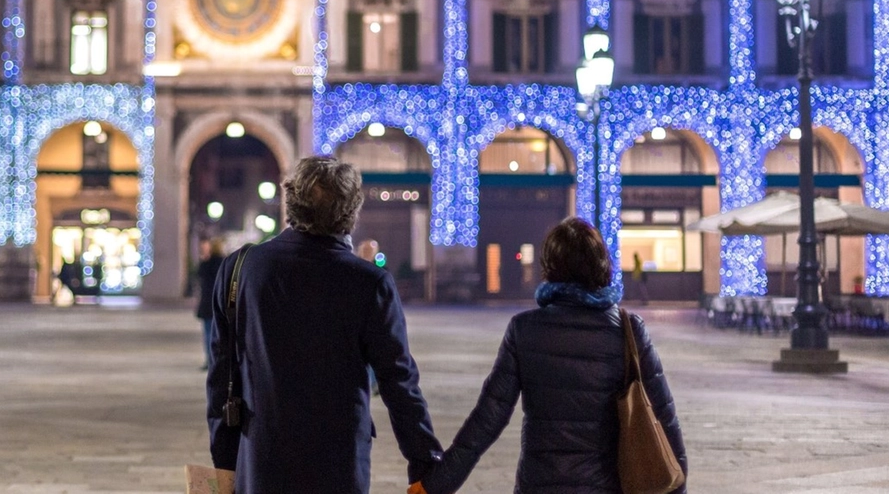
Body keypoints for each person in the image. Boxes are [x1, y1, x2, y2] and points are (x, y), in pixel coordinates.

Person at [207, 156, 442, 494]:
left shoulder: (239, 269)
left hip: (260, 458)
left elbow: (221, 376)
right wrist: (424, 462)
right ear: (351, 212)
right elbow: (398, 381)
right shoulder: (369, 283)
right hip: (338, 462)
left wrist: (225, 461)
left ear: (290, 203)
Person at [420, 217, 686, 494]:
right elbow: (664, 419)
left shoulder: (524, 330)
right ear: (602, 265)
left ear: (549, 268)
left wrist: (437, 484)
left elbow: (489, 417)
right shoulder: (628, 331)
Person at [194, 238, 225, 371]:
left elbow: (200, 275)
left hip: (209, 302)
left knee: (209, 333)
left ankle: (211, 360)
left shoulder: (208, 263)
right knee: (218, 333)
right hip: (220, 302)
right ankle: (217, 360)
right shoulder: (225, 263)